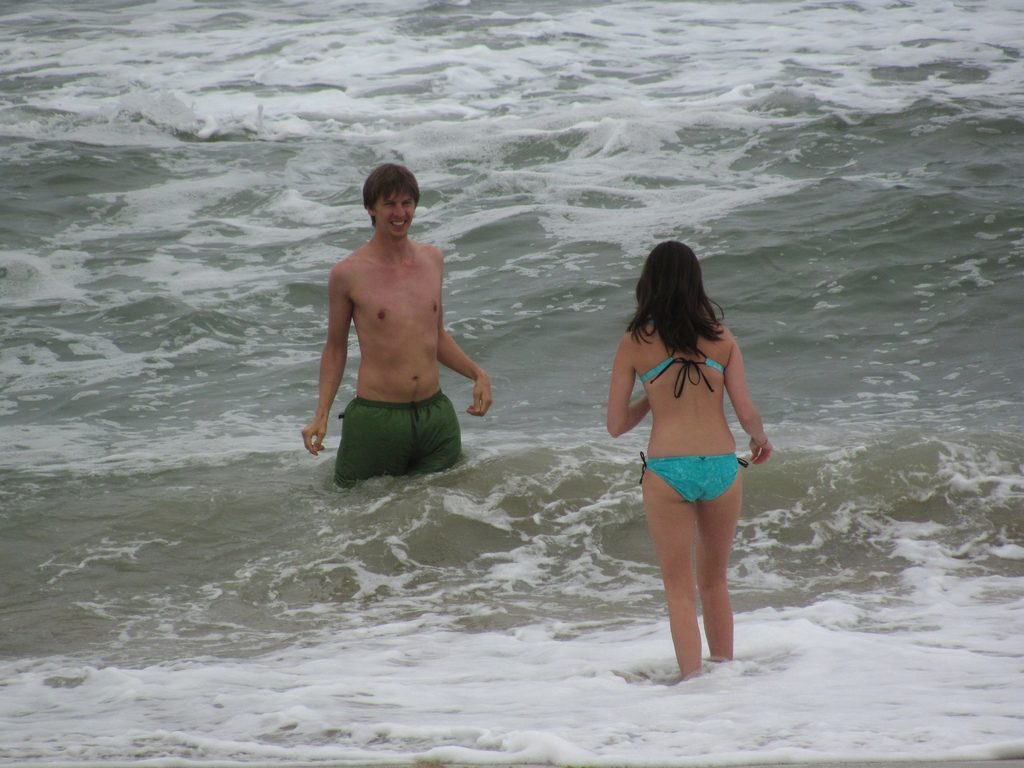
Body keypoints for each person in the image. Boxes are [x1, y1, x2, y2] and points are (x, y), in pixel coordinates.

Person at [606, 240, 772, 680]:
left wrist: (652, 393)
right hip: (721, 465)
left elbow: (616, 425)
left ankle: (694, 688)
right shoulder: (722, 338)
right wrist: (760, 438)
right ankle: (725, 678)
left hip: (667, 470)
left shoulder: (634, 342)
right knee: (715, 582)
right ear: (695, 282)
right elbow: (745, 410)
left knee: (680, 592)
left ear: (650, 282)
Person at [301, 163, 492, 486]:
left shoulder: (433, 259)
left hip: (436, 417)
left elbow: (436, 336)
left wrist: (478, 374)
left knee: (442, 515)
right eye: (389, 204)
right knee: (353, 514)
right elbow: (335, 348)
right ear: (371, 209)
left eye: (406, 203)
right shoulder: (348, 274)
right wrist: (321, 415)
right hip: (378, 419)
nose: (399, 212)